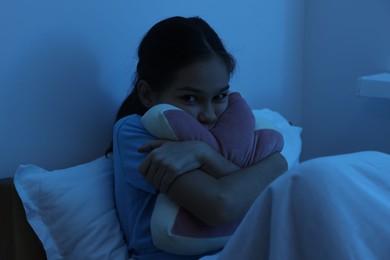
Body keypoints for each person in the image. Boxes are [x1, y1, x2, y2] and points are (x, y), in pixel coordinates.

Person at [109, 16, 287, 259]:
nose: (209, 115)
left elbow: (273, 189)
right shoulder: (135, 134)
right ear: (147, 94)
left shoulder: (224, 131)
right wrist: (274, 166)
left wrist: (203, 154)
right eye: (190, 98)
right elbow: (220, 206)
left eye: (219, 96)